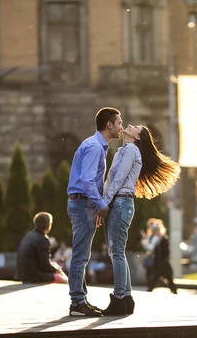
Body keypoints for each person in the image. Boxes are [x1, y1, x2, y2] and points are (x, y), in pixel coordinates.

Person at [101, 125, 180, 315]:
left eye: (134, 127)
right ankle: (126, 297)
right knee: (116, 252)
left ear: (137, 136)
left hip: (120, 203)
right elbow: (110, 180)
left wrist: (103, 203)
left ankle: (120, 297)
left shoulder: (130, 150)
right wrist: (101, 203)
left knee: (117, 252)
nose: (128, 126)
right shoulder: (123, 150)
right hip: (117, 203)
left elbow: (118, 180)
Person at [67, 107, 123, 317]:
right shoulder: (94, 147)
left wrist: (95, 206)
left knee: (82, 255)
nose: (121, 126)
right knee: (80, 256)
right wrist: (102, 205)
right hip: (82, 204)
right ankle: (77, 303)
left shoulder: (97, 145)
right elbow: (88, 182)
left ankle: (80, 300)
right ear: (109, 125)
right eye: (119, 122)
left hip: (84, 205)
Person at [16, 212, 68, 284]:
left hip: (22, 275)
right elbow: (45, 265)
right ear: (49, 225)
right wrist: (56, 270)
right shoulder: (43, 240)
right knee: (62, 279)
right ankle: (71, 285)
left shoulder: (29, 235)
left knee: (55, 265)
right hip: (33, 276)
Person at [141, 219, 178, 295]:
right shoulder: (156, 239)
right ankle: (150, 290)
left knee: (168, 278)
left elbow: (166, 251)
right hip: (158, 262)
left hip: (163, 262)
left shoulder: (163, 239)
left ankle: (174, 291)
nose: (156, 232)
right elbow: (151, 248)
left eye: (157, 230)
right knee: (155, 278)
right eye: (155, 231)